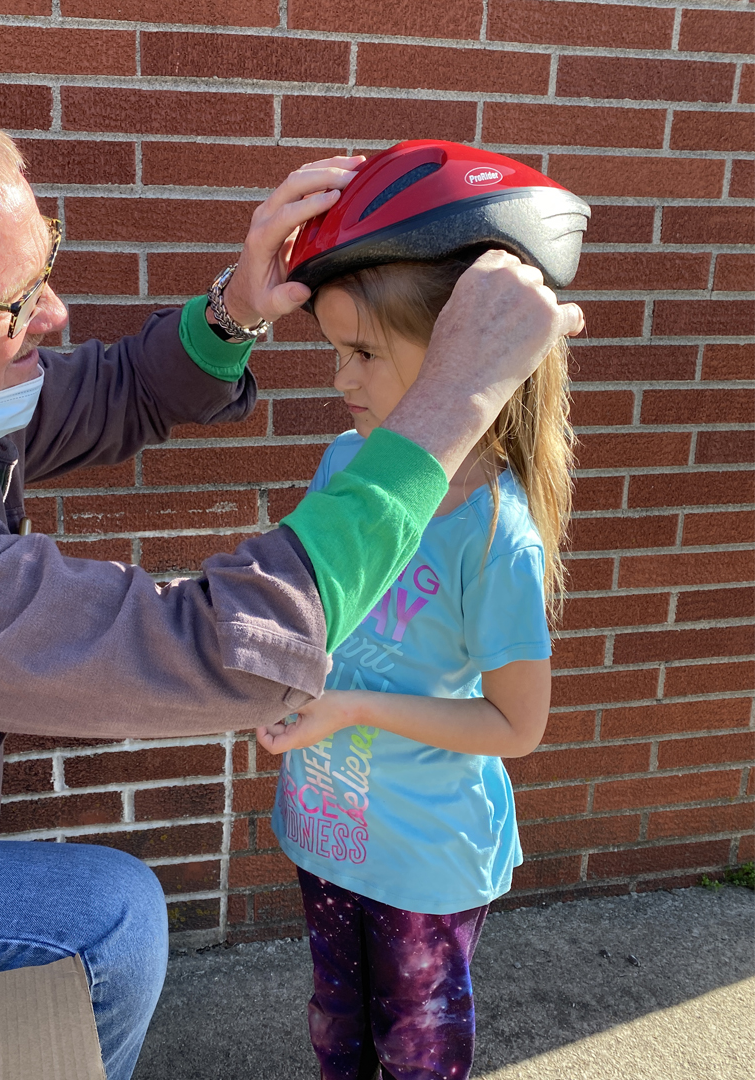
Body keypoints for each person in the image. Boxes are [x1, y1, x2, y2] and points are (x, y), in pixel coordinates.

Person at [0, 99, 582, 1077]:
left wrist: (236, 308)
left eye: (47, 258)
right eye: (14, 300)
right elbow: (207, 653)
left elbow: (107, 395)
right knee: (104, 921)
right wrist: (449, 403)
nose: (54, 314)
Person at [258, 141, 586, 1080]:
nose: (339, 379)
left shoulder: (495, 538)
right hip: (328, 826)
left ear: (464, 354)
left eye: (363, 351)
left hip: (426, 860)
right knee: (336, 1022)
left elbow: (517, 725)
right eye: (334, 351)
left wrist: (354, 709)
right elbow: (311, 605)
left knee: (419, 1041)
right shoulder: (341, 465)